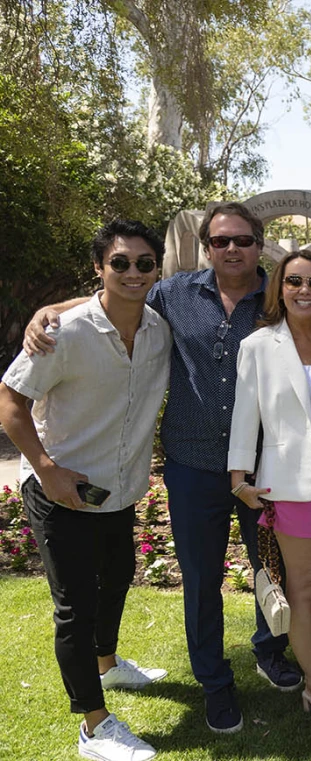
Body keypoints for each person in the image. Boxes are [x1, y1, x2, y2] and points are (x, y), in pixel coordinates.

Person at [24, 202, 305, 731]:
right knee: (201, 582)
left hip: (262, 464)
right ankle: (215, 682)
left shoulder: (278, 296)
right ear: (206, 247)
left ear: (259, 245)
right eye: (220, 241)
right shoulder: (174, 293)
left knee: (273, 566)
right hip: (192, 466)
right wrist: (50, 313)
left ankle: (271, 651)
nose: (232, 250)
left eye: (242, 240)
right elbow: (111, 300)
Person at [0, 220, 171, 761]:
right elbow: (9, 399)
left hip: (117, 490)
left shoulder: (160, 331)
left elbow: (127, 297)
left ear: (157, 270)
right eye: (119, 262)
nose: (132, 272)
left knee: (118, 578)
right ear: (100, 267)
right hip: (61, 490)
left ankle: (108, 665)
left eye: (144, 263)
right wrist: (46, 468)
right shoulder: (64, 333)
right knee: (75, 605)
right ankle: (94, 728)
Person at [228, 251, 311, 723]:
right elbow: (245, 415)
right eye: (294, 282)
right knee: (303, 585)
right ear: (279, 290)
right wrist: (239, 478)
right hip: (292, 477)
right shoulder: (260, 345)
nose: (304, 290)